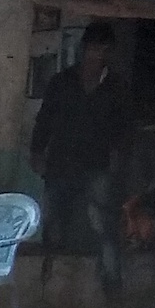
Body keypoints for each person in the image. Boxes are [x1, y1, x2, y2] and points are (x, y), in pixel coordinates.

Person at [30, 22, 131, 288]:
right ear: (85, 49)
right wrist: (37, 152)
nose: (99, 55)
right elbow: (44, 121)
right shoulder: (61, 83)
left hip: (96, 166)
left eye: (105, 50)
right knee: (52, 225)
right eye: (95, 48)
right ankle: (46, 284)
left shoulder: (116, 88)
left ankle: (111, 290)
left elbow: (123, 130)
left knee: (105, 227)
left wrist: (117, 161)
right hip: (60, 163)